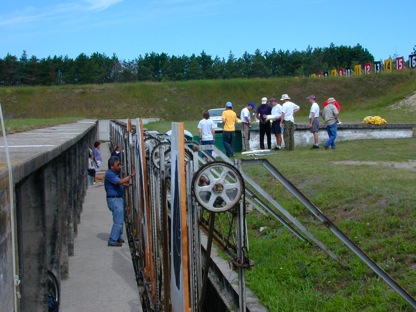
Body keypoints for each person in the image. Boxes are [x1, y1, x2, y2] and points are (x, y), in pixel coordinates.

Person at [104, 156, 136, 247]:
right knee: (118, 220)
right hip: (114, 199)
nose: (119, 167)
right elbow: (120, 182)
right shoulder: (110, 174)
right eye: (117, 165)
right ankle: (112, 239)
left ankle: (118, 236)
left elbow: (117, 184)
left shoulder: (113, 173)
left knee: (120, 219)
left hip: (117, 199)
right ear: (112, 166)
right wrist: (131, 175)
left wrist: (125, 184)